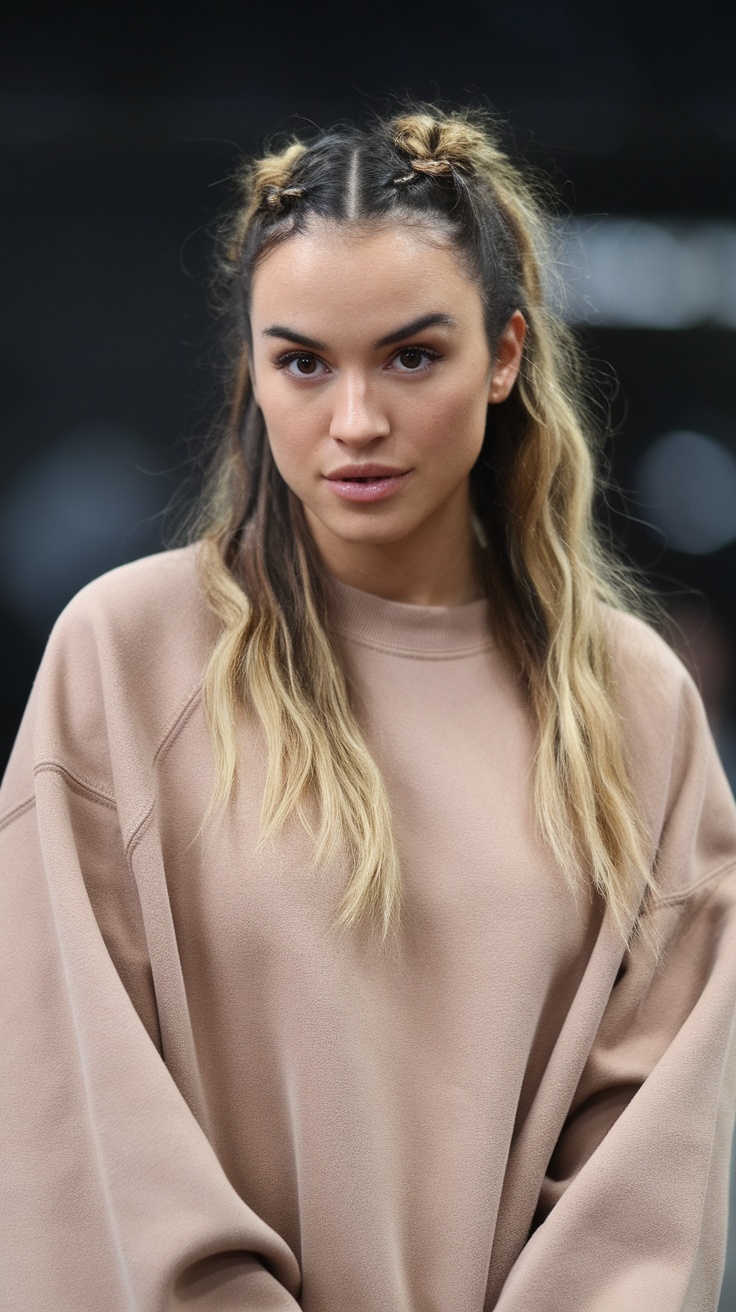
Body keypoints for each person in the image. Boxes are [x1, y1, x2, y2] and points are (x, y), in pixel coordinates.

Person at [2, 105, 736, 1312]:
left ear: (503, 355)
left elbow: (648, 1183)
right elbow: (76, 1124)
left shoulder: (631, 709)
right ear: (251, 365)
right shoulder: (124, 662)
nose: (353, 422)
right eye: (302, 361)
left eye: (409, 356)